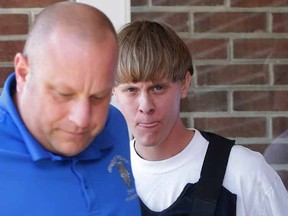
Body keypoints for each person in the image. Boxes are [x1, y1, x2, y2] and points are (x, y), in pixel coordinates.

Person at [113, 20, 288, 215]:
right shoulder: (104, 178)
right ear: (112, 90)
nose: (145, 106)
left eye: (158, 88)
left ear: (184, 84)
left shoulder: (244, 173)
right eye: (131, 89)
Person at [0, 2, 140, 216]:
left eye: (98, 97)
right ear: (23, 73)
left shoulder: (114, 124)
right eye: (64, 94)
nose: (82, 119)